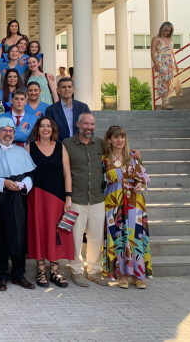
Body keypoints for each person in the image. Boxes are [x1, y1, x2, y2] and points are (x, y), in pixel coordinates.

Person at [0, 117, 36, 291]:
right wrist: (3, 183)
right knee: (0, 235)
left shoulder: (21, 152)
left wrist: (23, 184)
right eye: (4, 130)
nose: (8, 133)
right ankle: (2, 275)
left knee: (19, 235)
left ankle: (19, 275)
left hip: (18, 198)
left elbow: (32, 173)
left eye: (11, 130)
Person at [62, 112, 109, 287]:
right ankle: (76, 271)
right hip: (76, 198)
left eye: (92, 124)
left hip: (97, 198)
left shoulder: (101, 144)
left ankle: (94, 271)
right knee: (75, 237)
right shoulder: (67, 144)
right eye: (86, 124)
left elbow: (118, 154)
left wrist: (134, 153)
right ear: (78, 124)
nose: (89, 127)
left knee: (96, 236)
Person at [102, 125, 151, 289]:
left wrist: (139, 183)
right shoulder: (104, 159)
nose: (120, 140)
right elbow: (100, 181)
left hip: (134, 203)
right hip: (113, 203)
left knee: (135, 237)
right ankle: (121, 274)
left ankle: (138, 275)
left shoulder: (133, 156)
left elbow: (143, 176)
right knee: (118, 237)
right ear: (109, 140)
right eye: (116, 137)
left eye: (122, 137)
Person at [26, 117, 72, 288]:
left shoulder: (61, 147)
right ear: (37, 129)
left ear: (53, 129)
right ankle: (41, 271)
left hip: (58, 197)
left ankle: (54, 271)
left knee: (56, 233)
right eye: (42, 126)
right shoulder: (30, 147)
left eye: (48, 126)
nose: (45, 129)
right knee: (39, 231)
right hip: (36, 196)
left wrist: (68, 197)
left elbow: (67, 174)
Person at [45, 77, 91, 142]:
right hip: (59, 146)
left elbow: (89, 127)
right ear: (58, 90)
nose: (67, 89)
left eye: (69, 87)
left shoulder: (83, 107)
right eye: (63, 87)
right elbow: (49, 131)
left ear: (73, 89)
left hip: (81, 146)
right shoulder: (51, 110)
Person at [151, 21, 178, 110]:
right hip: (161, 61)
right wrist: (155, 64)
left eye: (169, 31)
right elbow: (152, 52)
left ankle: (165, 102)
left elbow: (172, 52)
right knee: (164, 81)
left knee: (169, 81)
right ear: (162, 29)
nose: (167, 32)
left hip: (170, 62)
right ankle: (166, 102)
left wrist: (176, 64)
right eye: (166, 30)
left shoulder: (170, 39)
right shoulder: (156, 39)